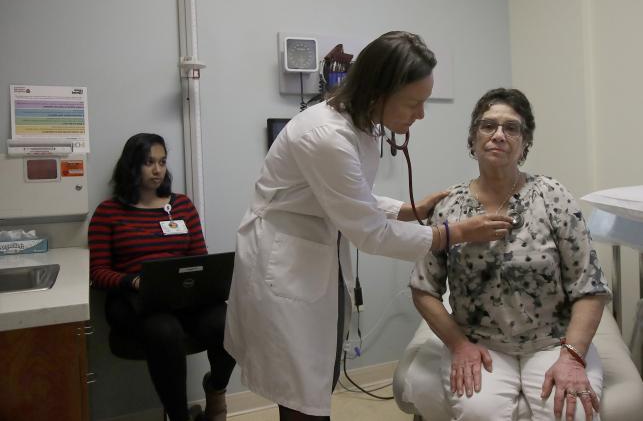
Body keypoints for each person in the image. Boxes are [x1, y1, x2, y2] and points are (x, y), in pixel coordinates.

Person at [224, 31, 515, 421]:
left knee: (315, 372)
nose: (421, 115)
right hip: (286, 258)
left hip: (316, 249)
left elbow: (349, 196)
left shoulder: (363, 124)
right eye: (414, 103)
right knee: (299, 387)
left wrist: (410, 210)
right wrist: (455, 233)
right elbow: (367, 230)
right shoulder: (327, 135)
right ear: (378, 91)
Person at [410, 88, 612, 421]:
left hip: (554, 340)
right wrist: (459, 345)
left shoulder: (552, 196)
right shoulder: (450, 206)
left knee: (571, 413)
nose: (498, 135)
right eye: (488, 126)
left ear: (525, 141)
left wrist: (573, 356)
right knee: (478, 412)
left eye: (511, 128)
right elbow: (423, 288)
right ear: (473, 138)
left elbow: (589, 284)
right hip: (480, 343)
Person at [88, 133, 235, 421]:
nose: (158, 170)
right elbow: (97, 273)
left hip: (184, 296)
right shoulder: (109, 212)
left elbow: (199, 259)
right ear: (132, 166)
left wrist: (208, 283)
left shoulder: (181, 206)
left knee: (229, 322)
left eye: (162, 162)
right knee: (164, 332)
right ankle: (180, 416)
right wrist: (132, 281)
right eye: (149, 162)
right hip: (134, 300)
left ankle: (216, 388)